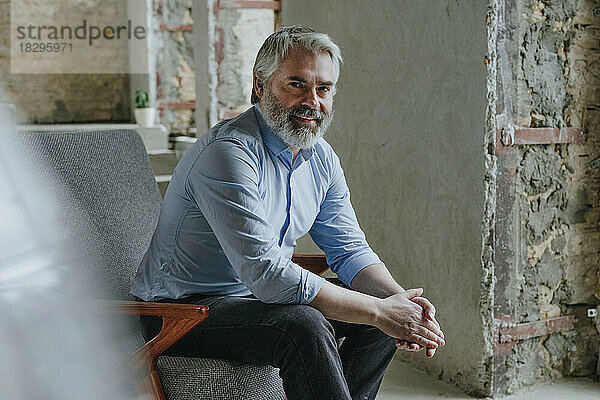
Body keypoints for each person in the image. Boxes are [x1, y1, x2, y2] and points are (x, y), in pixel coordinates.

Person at [131, 25, 445, 400]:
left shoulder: (323, 159)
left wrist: (400, 306)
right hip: (179, 313)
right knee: (305, 325)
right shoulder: (228, 154)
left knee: (376, 320)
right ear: (261, 86)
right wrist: (379, 311)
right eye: (296, 85)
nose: (312, 101)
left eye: (323, 89)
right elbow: (267, 274)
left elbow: (349, 251)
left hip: (255, 304)